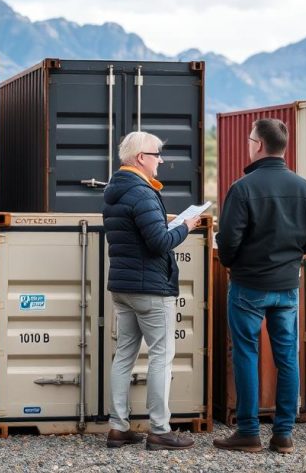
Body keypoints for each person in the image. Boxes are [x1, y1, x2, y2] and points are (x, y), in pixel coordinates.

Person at [214, 118, 306, 454]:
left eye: (250, 139)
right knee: (287, 358)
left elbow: (229, 241)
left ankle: (248, 432)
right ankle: (283, 435)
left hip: (249, 285)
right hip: (287, 286)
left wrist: (233, 261)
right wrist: (291, 255)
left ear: (258, 144)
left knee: (247, 355)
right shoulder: (305, 187)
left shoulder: (243, 187)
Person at [102, 131, 198, 451]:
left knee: (124, 355)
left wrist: (165, 222)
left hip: (123, 287)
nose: (161, 161)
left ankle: (118, 427)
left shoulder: (117, 190)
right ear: (141, 158)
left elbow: (136, 234)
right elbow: (158, 243)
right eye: (157, 155)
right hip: (151, 289)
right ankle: (159, 429)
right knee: (162, 356)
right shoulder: (142, 193)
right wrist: (186, 227)